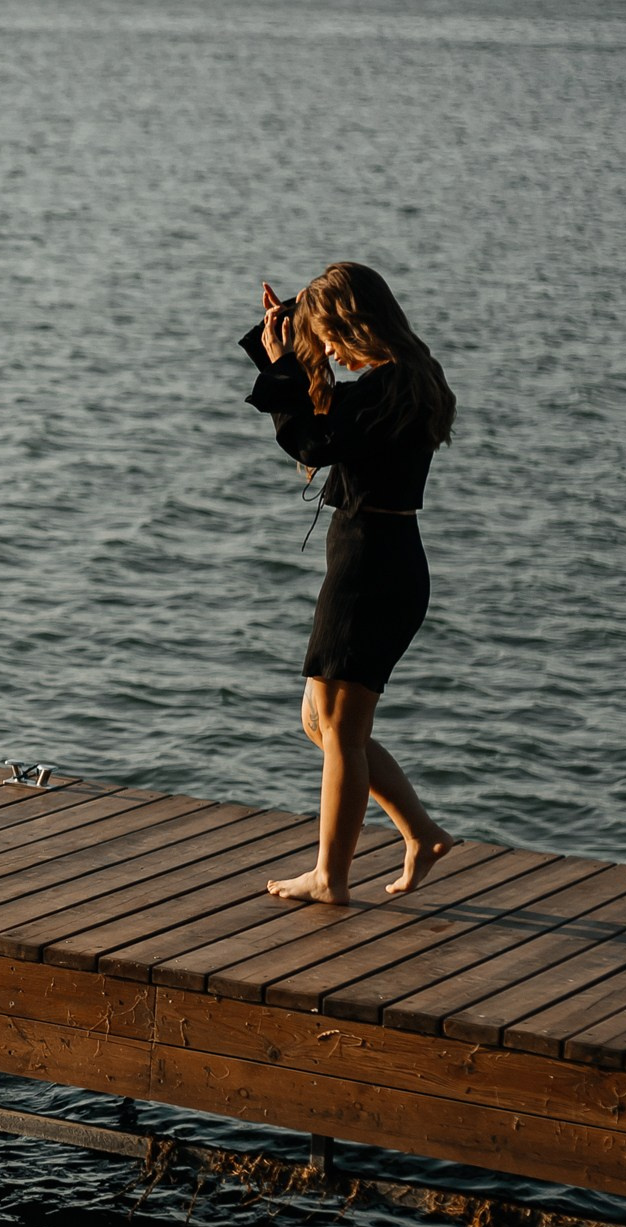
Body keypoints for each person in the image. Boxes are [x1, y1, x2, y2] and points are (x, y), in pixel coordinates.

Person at [242, 262, 458, 904]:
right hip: (384, 560)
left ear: (352, 322)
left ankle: (330, 877)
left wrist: (282, 364)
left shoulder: (387, 388)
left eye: (329, 337)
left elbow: (313, 441)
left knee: (337, 728)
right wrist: (278, 346)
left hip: (371, 567)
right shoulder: (406, 380)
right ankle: (421, 833)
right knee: (325, 721)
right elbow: (330, 416)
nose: (329, 352)